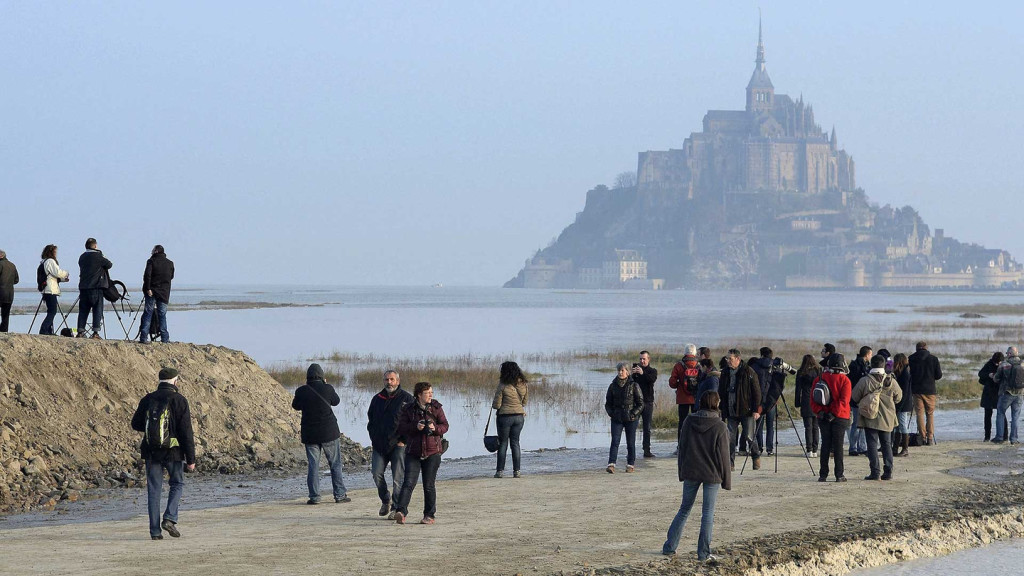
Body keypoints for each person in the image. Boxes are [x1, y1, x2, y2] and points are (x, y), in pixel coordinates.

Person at [662, 391, 731, 561]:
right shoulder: (720, 426)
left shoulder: (689, 420)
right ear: (716, 403)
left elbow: (682, 448)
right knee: (708, 513)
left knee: (684, 509)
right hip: (712, 473)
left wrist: (681, 472)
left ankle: (670, 547)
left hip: (691, 470)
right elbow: (724, 456)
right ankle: (703, 554)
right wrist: (727, 481)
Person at [129, 367, 196, 540]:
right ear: (175, 381)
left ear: (159, 381)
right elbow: (186, 432)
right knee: (177, 484)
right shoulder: (180, 400)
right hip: (173, 452)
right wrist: (191, 459)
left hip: (151, 451)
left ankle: (155, 532)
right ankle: (169, 518)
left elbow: (135, 424)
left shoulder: (147, 399)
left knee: (154, 490)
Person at [291, 363, 350, 505]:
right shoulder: (328, 388)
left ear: (307, 378)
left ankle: (315, 497)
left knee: (313, 466)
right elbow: (336, 401)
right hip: (329, 432)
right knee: (335, 464)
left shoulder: (301, 391)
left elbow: (295, 406)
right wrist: (326, 385)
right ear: (322, 376)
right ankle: (340, 495)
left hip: (310, 434)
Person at [395, 381, 449, 525]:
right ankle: (401, 512)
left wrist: (435, 428)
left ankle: (429, 515)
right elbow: (401, 427)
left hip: (433, 452)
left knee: (429, 485)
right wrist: (416, 426)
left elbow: (445, 426)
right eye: (427, 393)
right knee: (408, 483)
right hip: (413, 451)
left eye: (431, 392)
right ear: (419, 395)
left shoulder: (436, 407)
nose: (430, 395)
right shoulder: (408, 409)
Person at [367, 370, 413, 518]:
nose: (389, 382)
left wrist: (404, 441)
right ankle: (385, 500)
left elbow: (411, 423)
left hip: (398, 444)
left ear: (398, 381)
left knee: (397, 478)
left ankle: (396, 507)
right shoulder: (377, 399)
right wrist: (374, 439)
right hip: (379, 445)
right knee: (376, 474)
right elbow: (371, 421)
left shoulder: (407, 399)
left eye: (392, 379)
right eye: (387, 380)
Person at [850, 355, 902, 480]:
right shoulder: (891, 380)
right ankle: (888, 472)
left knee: (872, 445)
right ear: (884, 365)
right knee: (887, 445)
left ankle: (875, 472)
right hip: (887, 417)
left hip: (870, 416)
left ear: (871, 365)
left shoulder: (865, 380)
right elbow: (899, 397)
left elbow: (854, 397)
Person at [717, 349, 762, 470]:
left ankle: (755, 456)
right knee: (730, 437)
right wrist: (721, 407)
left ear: (738, 359)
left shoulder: (749, 371)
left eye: (730, 359)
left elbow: (757, 392)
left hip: (746, 410)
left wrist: (756, 410)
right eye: (727, 359)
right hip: (730, 410)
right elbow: (721, 391)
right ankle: (730, 463)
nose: (728, 361)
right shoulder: (725, 372)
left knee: (749, 436)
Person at [811, 353, 852, 482]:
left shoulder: (819, 379)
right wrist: (834, 413)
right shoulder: (845, 380)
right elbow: (844, 400)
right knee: (838, 446)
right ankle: (839, 475)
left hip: (822, 416)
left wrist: (821, 412)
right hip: (840, 416)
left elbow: (813, 400)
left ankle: (823, 474)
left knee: (825, 445)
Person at [606, 362, 644, 473]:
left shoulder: (634, 385)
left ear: (627, 372)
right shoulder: (612, 385)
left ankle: (630, 464)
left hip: (631, 418)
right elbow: (608, 403)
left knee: (630, 442)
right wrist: (612, 413)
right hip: (617, 417)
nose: (620, 372)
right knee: (615, 441)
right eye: (619, 370)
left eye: (622, 370)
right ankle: (611, 464)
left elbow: (641, 403)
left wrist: (633, 414)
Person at [492, 361, 528, 477]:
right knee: (515, 443)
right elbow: (525, 402)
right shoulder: (523, 384)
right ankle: (517, 471)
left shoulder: (503, 384)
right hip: (519, 417)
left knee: (503, 444)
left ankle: (500, 471)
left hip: (505, 417)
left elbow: (497, 405)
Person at [76, 238, 112, 339]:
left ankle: (80, 332)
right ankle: (95, 333)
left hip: (83, 287)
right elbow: (109, 264)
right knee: (97, 309)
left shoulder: (82, 257)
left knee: (83, 310)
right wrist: (101, 254)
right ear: (95, 246)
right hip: (96, 287)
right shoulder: (98, 256)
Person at [908, 341, 942, 445]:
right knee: (930, 414)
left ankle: (922, 438)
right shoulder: (934, 359)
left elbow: (909, 374)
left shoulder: (911, 358)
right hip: (930, 390)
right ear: (926, 348)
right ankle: (930, 438)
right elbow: (939, 375)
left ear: (917, 348)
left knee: (919, 414)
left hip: (916, 390)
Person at [139, 245, 175, 344]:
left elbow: (147, 276)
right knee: (162, 315)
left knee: (148, 313)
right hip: (164, 292)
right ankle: (165, 338)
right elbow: (171, 276)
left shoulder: (151, 261)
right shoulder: (170, 263)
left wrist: (148, 288)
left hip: (152, 291)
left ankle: (143, 338)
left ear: (155, 251)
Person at [750, 347, 780, 456]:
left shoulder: (755, 366)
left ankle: (759, 448)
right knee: (770, 425)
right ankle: (770, 448)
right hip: (772, 400)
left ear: (761, 355)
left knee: (758, 425)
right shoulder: (775, 366)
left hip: (758, 400)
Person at [669, 344, 700, 446]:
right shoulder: (699, 365)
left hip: (682, 398)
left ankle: (681, 445)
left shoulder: (679, 365)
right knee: (696, 422)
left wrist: (679, 383)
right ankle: (696, 445)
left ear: (685, 353)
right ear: (695, 353)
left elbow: (672, 383)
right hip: (696, 398)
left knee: (682, 422)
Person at [993, 347, 1024, 445]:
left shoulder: (1004, 364)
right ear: (1017, 353)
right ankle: (1014, 439)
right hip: (1020, 393)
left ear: (1009, 354)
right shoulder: (1023, 364)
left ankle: (1000, 437)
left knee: (1000, 413)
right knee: (1015, 417)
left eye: (1007, 353)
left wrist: (992, 376)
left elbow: (996, 379)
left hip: (1006, 393)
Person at [846, 346, 872, 456]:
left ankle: (861, 446)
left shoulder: (863, 365)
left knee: (862, 423)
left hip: (863, 399)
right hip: (857, 399)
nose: (871, 356)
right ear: (866, 355)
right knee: (857, 423)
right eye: (870, 354)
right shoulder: (855, 366)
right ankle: (853, 447)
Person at [632, 351, 659, 458]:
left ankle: (646, 450)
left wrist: (642, 373)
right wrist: (632, 374)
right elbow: (631, 383)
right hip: (636, 402)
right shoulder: (636, 371)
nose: (642, 361)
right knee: (633, 426)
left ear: (648, 359)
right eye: (640, 359)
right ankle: (631, 450)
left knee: (647, 428)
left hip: (648, 402)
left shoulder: (652, 371)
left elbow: (651, 380)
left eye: (644, 359)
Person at [794, 354, 821, 458]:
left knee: (808, 427)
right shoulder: (818, 371)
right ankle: (815, 450)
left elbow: (798, 389)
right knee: (816, 427)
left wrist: (797, 402)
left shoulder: (801, 372)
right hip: (817, 400)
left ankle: (809, 450)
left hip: (806, 400)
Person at [39, 245, 70, 335]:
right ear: (51, 252)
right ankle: (44, 330)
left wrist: (62, 279)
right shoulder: (50, 261)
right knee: (52, 311)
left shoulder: (44, 261)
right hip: (50, 289)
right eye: (55, 252)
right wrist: (66, 273)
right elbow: (57, 273)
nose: (56, 254)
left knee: (50, 311)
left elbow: (52, 276)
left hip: (46, 289)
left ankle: (49, 331)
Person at [978, 351, 1005, 442]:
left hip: (1000, 392)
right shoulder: (989, 364)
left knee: (1001, 414)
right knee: (987, 415)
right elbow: (980, 374)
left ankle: (1004, 436)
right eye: (996, 362)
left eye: (999, 362)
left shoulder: (1005, 365)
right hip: (989, 393)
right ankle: (987, 436)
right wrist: (989, 375)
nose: (997, 364)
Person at [892, 353, 914, 457]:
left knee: (902, 424)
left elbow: (904, 393)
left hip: (903, 403)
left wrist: (899, 407)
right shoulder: (901, 372)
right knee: (897, 426)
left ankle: (905, 449)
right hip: (901, 403)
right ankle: (895, 448)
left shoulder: (905, 374)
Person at [0, 250, 20, 333]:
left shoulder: (0, 265)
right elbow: (16, 280)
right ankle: (4, 331)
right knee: (6, 314)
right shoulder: (12, 265)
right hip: (9, 293)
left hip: (0, 292)